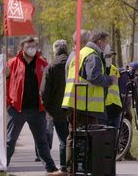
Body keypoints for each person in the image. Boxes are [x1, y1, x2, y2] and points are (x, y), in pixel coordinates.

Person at [6, 36, 63, 176]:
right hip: (16, 109)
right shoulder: (12, 63)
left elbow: (49, 86)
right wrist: (8, 103)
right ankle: (2, 165)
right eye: (28, 46)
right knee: (10, 140)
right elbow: (5, 83)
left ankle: (50, 168)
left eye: (34, 46)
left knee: (42, 141)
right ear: (22, 48)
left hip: (37, 110)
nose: (32, 49)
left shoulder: (43, 64)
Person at [62, 30, 116, 174]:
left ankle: (71, 169)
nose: (106, 45)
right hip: (84, 105)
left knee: (73, 137)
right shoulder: (92, 55)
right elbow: (95, 77)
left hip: (75, 102)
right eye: (105, 42)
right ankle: (82, 168)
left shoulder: (81, 53)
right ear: (100, 41)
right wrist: (110, 80)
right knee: (87, 139)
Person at [40, 39, 69, 173]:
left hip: (56, 110)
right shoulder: (73, 64)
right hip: (74, 108)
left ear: (55, 50)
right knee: (70, 139)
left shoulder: (51, 67)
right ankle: (70, 165)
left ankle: (58, 166)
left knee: (58, 139)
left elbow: (44, 92)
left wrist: (48, 109)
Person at [104, 45, 122, 127]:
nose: (110, 58)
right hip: (105, 106)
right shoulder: (100, 68)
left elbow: (117, 86)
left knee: (116, 132)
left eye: (111, 56)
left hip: (116, 105)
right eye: (108, 55)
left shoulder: (115, 69)